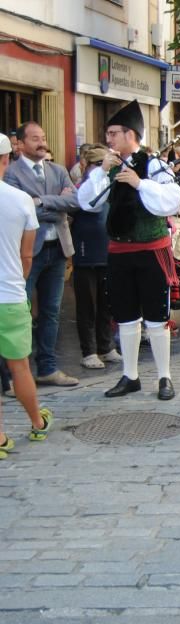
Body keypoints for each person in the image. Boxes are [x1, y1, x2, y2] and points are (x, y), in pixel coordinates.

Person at [77, 100, 180, 401]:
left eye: (113, 133)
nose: (108, 139)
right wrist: (100, 173)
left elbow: (172, 201)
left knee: (156, 317)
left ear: (129, 134)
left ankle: (164, 377)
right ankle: (130, 375)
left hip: (151, 250)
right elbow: (87, 202)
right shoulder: (106, 167)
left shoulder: (154, 165)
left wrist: (139, 184)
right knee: (125, 316)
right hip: (120, 253)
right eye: (108, 133)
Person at [4, 121, 80, 386]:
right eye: (34, 138)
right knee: (19, 312)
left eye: (43, 137)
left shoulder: (58, 170)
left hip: (57, 249)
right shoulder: (11, 174)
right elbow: (22, 210)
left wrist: (41, 201)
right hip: (27, 252)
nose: (41, 142)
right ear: (21, 144)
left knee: (51, 311)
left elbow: (74, 201)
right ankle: (15, 375)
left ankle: (47, 367)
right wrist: (53, 203)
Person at [0, 133, 53, 456]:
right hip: (9, 294)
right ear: (7, 160)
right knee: (19, 366)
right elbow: (27, 255)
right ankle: (37, 422)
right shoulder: (20, 201)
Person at [71, 145, 119, 370]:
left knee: (106, 303)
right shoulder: (83, 187)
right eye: (98, 165)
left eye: (104, 164)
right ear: (87, 166)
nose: (102, 169)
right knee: (87, 306)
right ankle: (88, 351)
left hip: (106, 252)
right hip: (85, 253)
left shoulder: (108, 185)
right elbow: (86, 205)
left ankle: (106, 346)